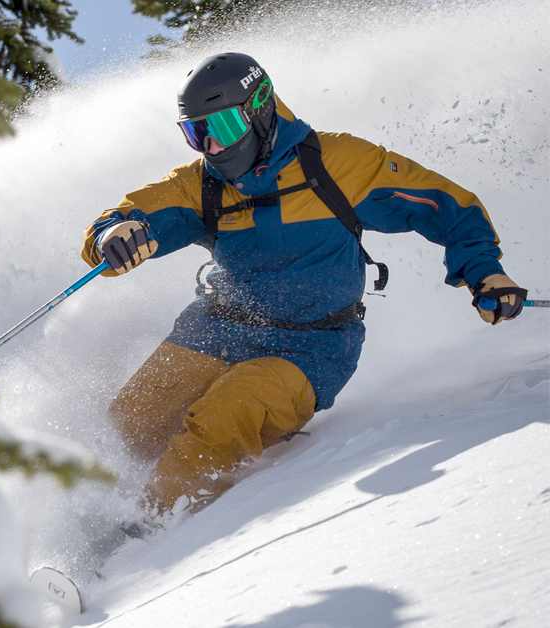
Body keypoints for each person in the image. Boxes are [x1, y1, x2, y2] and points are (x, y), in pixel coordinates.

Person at [80, 52, 527, 521]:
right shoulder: (200, 186)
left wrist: (484, 271)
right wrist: (113, 237)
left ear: (261, 108)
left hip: (309, 347)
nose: (212, 148)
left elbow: (445, 205)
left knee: (224, 415)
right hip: (218, 326)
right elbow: (122, 220)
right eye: (197, 133)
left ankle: (142, 535)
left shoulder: (337, 164)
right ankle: (82, 518)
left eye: (224, 128)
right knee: (131, 420)